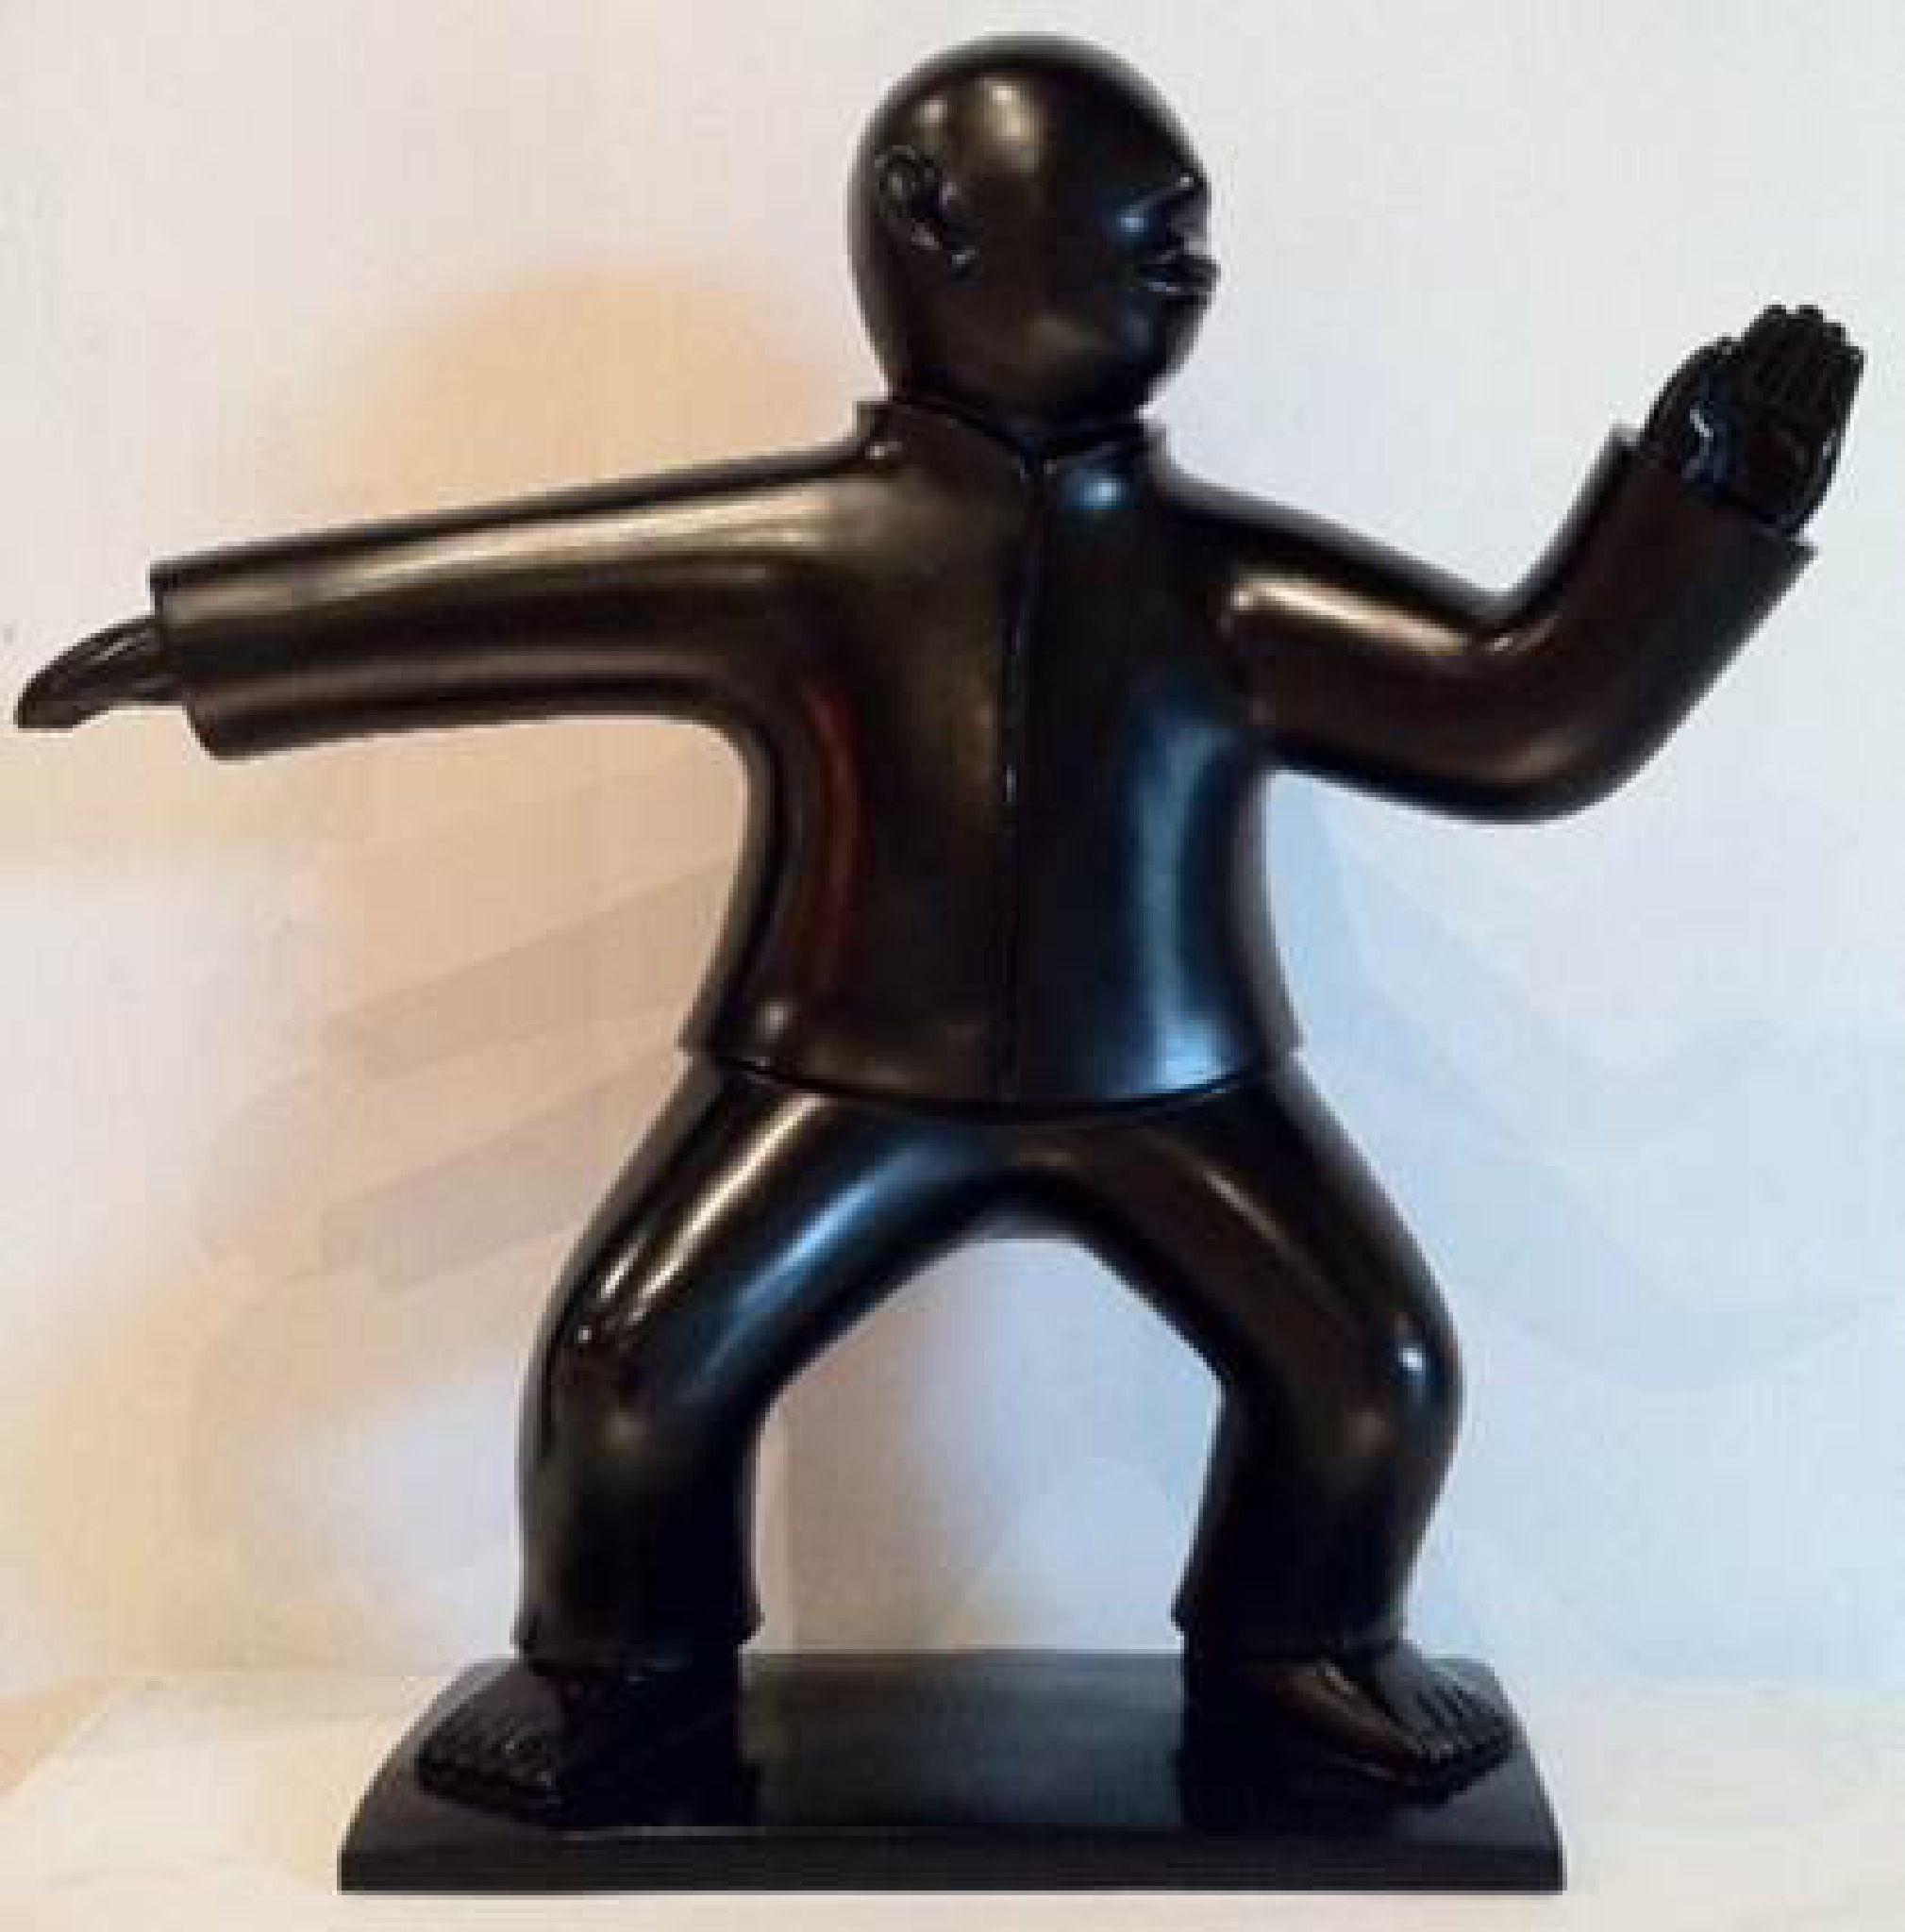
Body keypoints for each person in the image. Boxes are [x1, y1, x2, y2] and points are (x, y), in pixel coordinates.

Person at [19, 35, 1861, 1814]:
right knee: (630, 1367)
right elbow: (499, 597)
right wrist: (211, 646)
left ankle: (1299, 1647)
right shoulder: (807, 550)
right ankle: (620, 1672)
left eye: (1197, 238)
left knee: (1366, 1368)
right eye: (1153, 229)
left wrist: (1700, 514)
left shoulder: (1218, 583)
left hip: (1171, 1089)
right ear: (935, 221)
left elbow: (1515, 715)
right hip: (841, 1082)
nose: (1195, 267)